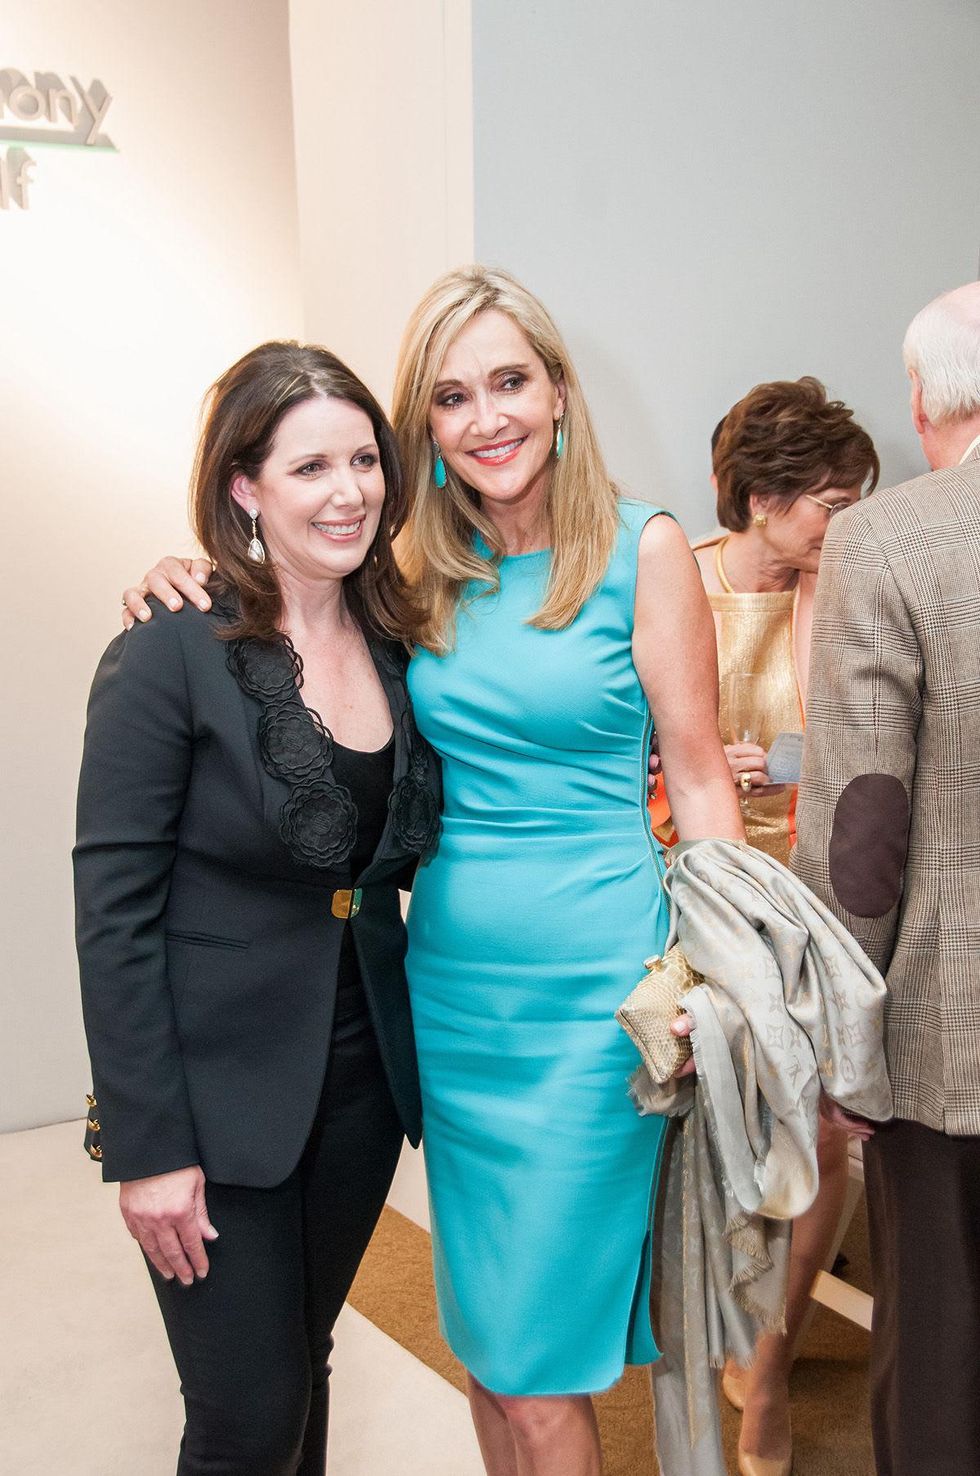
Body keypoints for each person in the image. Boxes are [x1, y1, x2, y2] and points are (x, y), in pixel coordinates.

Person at [122, 265, 745, 1476]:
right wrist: (178, 573)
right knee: (482, 1342)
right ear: (427, 427)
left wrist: (725, 987)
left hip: (596, 1000)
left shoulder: (643, 549)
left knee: (536, 1364)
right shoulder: (409, 572)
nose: (487, 417)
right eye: (452, 396)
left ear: (559, 395)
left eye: (511, 381)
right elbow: (279, 600)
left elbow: (704, 781)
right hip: (450, 1000)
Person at [75, 342, 441, 1476]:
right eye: (309, 468)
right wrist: (148, 1148)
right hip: (214, 1098)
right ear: (245, 487)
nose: (349, 492)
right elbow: (112, 914)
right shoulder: (166, 650)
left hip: (361, 1085)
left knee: (305, 1359)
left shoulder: (397, 640)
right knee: (245, 1421)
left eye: (364, 461)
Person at [654, 378, 879, 1476]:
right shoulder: (670, 581)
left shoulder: (840, 592)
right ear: (758, 498)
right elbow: (621, 756)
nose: (844, 521)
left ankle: (771, 1364)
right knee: (699, 1125)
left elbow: (866, 747)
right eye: (829, 502)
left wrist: (775, 765)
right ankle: (696, 1345)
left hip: (803, 888)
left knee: (828, 1128)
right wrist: (687, 771)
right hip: (683, 886)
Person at [793, 281, 980, 1476]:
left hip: (947, 1043)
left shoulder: (889, 539)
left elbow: (864, 823)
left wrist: (834, 1035)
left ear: (921, 403)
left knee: (939, 1352)